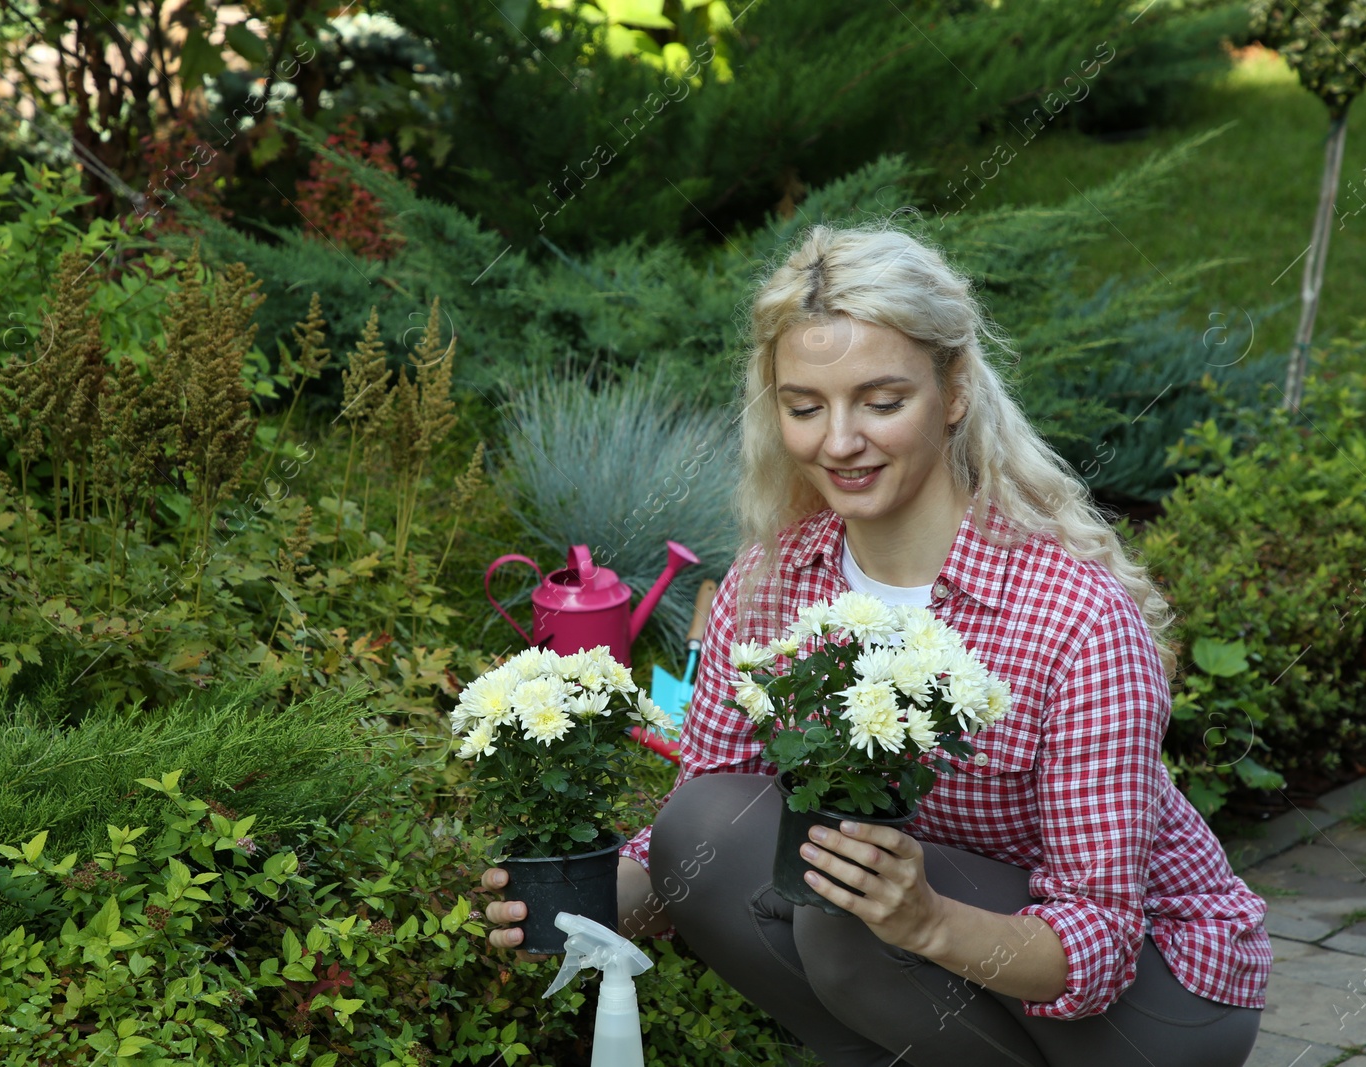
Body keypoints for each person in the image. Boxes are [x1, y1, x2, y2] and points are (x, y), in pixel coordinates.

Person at [479, 223, 1270, 1067]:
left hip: (1154, 1001)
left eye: (882, 402)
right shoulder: (774, 581)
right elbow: (698, 835)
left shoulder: (1074, 614)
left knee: (843, 901)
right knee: (713, 826)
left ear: (955, 388)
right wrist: (578, 906)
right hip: (904, 936)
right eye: (805, 406)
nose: (840, 442)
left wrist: (923, 917)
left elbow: (1102, 939)